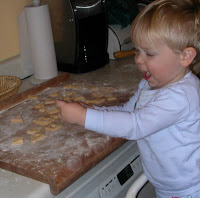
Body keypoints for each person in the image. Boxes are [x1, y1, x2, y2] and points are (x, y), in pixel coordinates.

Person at [56, 0, 200, 197]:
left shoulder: (181, 96)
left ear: (185, 57)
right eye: (137, 50)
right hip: (168, 187)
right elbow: (129, 111)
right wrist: (91, 112)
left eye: (149, 53)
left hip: (189, 191)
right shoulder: (151, 83)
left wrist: (83, 117)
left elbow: (135, 124)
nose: (138, 60)